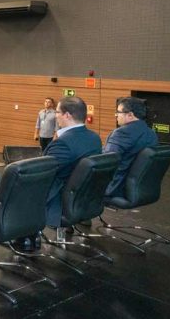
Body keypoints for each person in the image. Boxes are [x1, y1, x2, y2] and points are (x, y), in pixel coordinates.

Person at [44, 96, 102, 228]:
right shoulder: (95, 138)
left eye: (57, 112)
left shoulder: (63, 143)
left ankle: (25, 238)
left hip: (60, 202)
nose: (55, 116)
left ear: (67, 115)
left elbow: (45, 173)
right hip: (86, 199)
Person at [103, 97, 158, 198]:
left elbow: (107, 161)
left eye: (118, 112)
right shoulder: (151, 134)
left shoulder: (121, 133)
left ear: (130, 115)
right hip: (139, 187)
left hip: (115, 187)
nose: (116, 115)